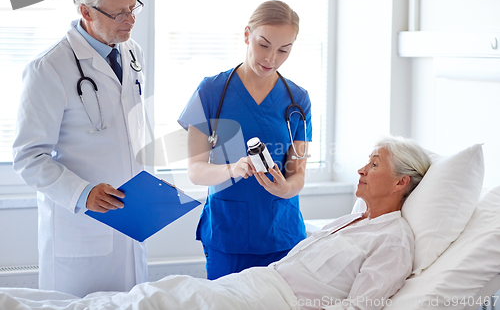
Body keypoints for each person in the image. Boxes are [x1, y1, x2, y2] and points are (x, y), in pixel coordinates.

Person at [0, 136, 431, 310]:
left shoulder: (393, 240)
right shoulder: (353, 220)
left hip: (270, 301)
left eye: (373, 164)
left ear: (400, 182)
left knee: (152, 302)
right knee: (154, 296)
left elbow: (361, 308)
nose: (360, 169)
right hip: (255, 285)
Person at [12, 0, 147, 297]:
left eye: (133, 8)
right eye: (118, 13)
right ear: (86, 12)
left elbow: (129, 134)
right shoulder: (48, 68)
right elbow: (29, 157)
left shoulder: (132, 52)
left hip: (131, 218)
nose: (130, 20)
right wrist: (82, 193)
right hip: (82, 230)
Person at [178, 0, 313, 280]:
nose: (271, 58)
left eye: (283, 50)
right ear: (246, 35)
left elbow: (298, 174)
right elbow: (195, 171)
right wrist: (233, 169)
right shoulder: (212, 92)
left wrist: (285, 188)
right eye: (263, 45)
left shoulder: (297, 100)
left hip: (283, 234)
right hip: (228, 235)